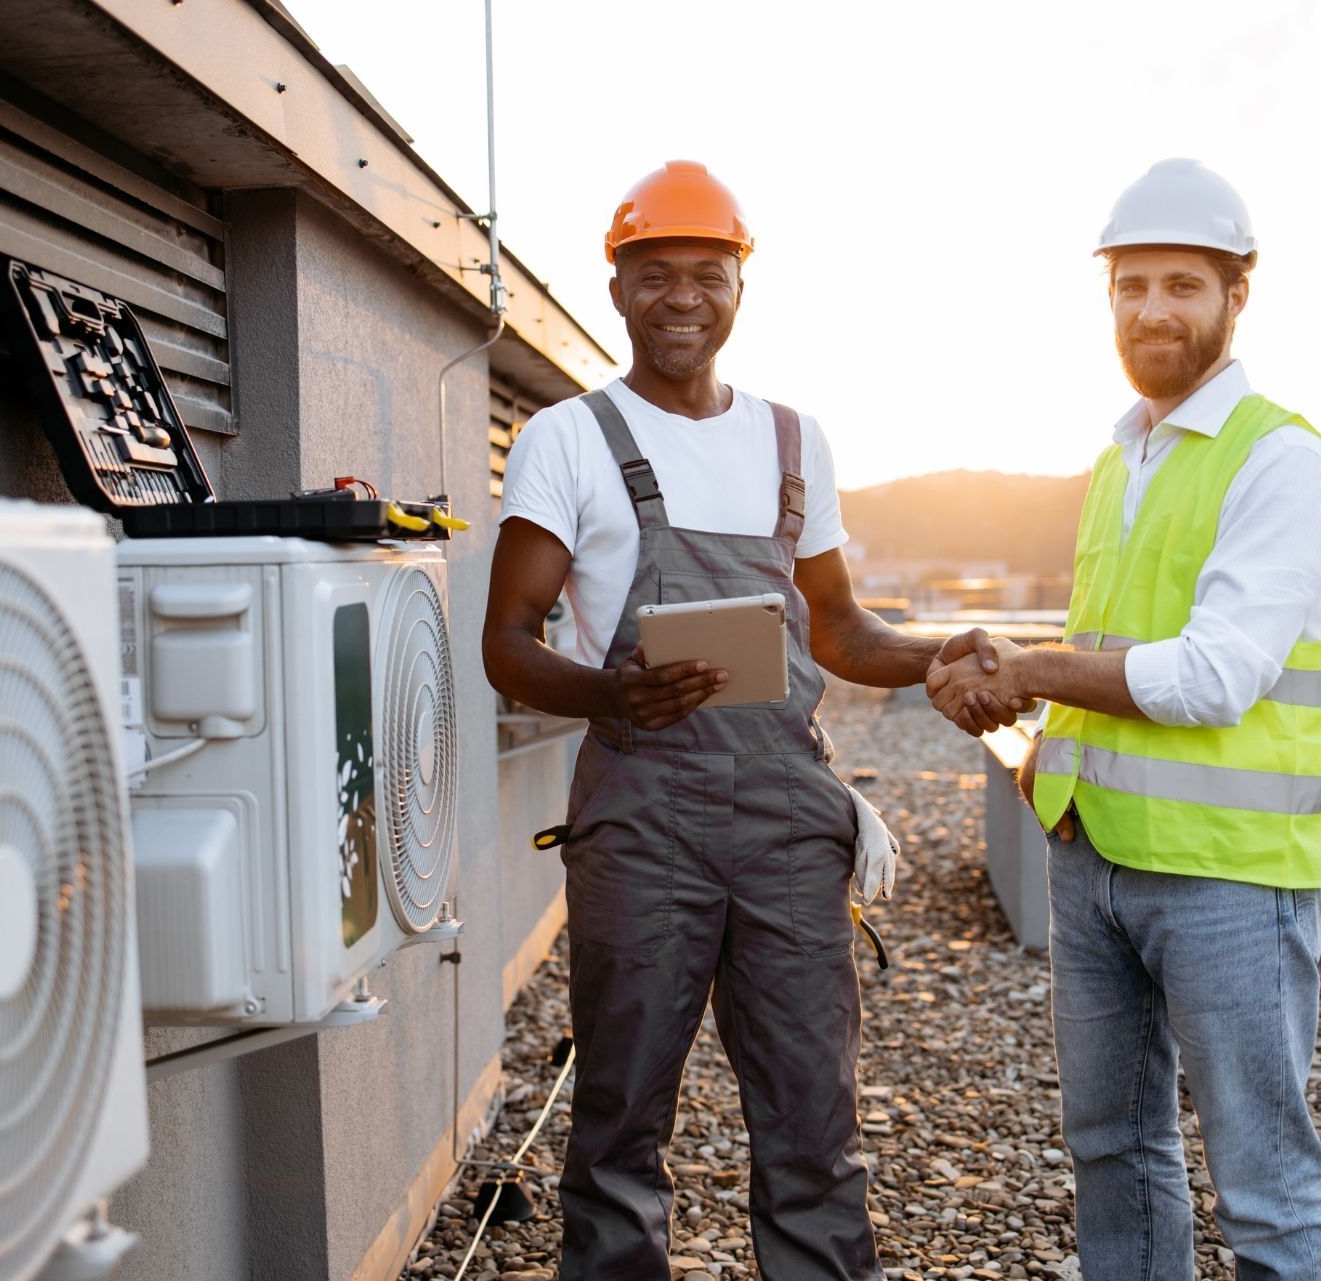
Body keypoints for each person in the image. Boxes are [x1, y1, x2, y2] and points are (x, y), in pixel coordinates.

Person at [483, 160, 994, 1280]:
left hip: (785, 814)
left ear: (739, 287)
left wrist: (935, 658)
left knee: (816, 1126)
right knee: (619, 1120)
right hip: (640, 813)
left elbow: (843, 632)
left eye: (706, 274)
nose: (682, 298)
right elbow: (508, 647)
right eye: (655, 275)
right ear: (616, 289)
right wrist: (611, 691)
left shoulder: (792, 442)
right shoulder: (567, 441)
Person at [929, 158, 1321, 1279]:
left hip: (1229, 875)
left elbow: (1214, 677)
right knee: (1113, 1150)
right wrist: (1018, 738)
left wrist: (1025, 669)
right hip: (1094, 857)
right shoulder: (1122, 459)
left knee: (1265, 1182)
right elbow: (1105, 661)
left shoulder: (1285, 462)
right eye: (1132, 286)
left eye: (1183, 284)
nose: (1154, 309)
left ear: (1237, 296)